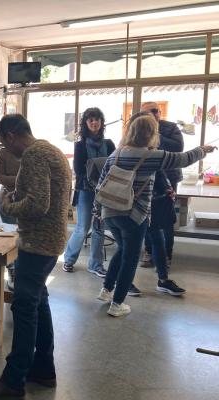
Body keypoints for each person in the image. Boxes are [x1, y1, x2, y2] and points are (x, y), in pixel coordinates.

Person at [0, 114, 72, 399]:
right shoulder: (51, 150)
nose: (5, 149)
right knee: (39, 303)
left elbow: (38, 205)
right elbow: (44, 196)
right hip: (51, 240)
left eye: (3, 143)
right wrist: (17, 195)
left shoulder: (34, 155)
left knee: (24, 309)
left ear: (11, 135)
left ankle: (13, 381)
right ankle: (43, 369)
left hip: (37, 243)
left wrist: (7, 206)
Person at [95, 113, 214, 317]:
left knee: (122, 251)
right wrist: (203, 150)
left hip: (109, 212)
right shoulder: (152, 156)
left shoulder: (116, 153)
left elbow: (101, 185)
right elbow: (184, 159)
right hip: (134, 215)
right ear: (152, 134)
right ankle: (117, 304)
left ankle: (106, 290)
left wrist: (97, 211)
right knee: (130, 259)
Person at [63, 108, 116, 277]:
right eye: (91, 120)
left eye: (97, 119)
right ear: (85, 123)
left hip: (105, 191)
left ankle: (96, 265)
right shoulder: (80, 145)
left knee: (99, 228)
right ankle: (69, 259)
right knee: (82, 227)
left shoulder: (109, 144)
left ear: (101, 122)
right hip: (86, 191)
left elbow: (115, 166)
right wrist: (101, 166)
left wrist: (93, 165)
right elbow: (79, 170)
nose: (94, 123)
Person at [139, 102, 184, 268]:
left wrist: (155, 132)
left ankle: (166, 255)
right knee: (146, 215)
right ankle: (149, 251)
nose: (152, 114)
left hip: (169, 177)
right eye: (147, 112)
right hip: (147, 176)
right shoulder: (140, 128)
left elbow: (178, 147)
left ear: (159, 112)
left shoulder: (171, 127)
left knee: (165, 218)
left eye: (155, 111)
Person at [147, 170, 186, 295]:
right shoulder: (130, 159)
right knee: (128, 250)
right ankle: (120, 285)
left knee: (158, 242)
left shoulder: (157, 165)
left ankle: (163, 280)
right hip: (135, 209)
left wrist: (168, 190)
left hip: (152, 208)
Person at [0, 144, 21, 224]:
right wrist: (21, 179)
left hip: (28, 200)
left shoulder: (33, 152)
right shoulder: (4, 152)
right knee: (10, 229)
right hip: (8, 199)